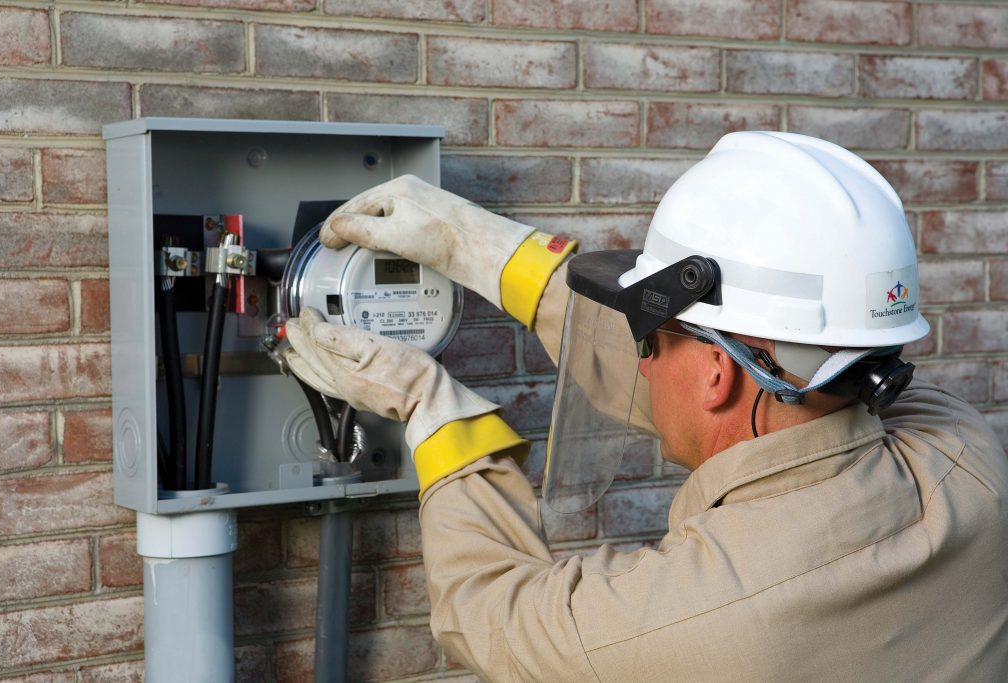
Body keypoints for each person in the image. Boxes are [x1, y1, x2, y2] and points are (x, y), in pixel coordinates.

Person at [284, 132, 1008, 680]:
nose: (639, 359)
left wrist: (429, 405)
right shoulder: (964, 455)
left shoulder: (708, 613)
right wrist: (480, 249)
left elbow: (490, 607)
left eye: (650, 342)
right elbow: (756, 389)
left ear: (717, 372)